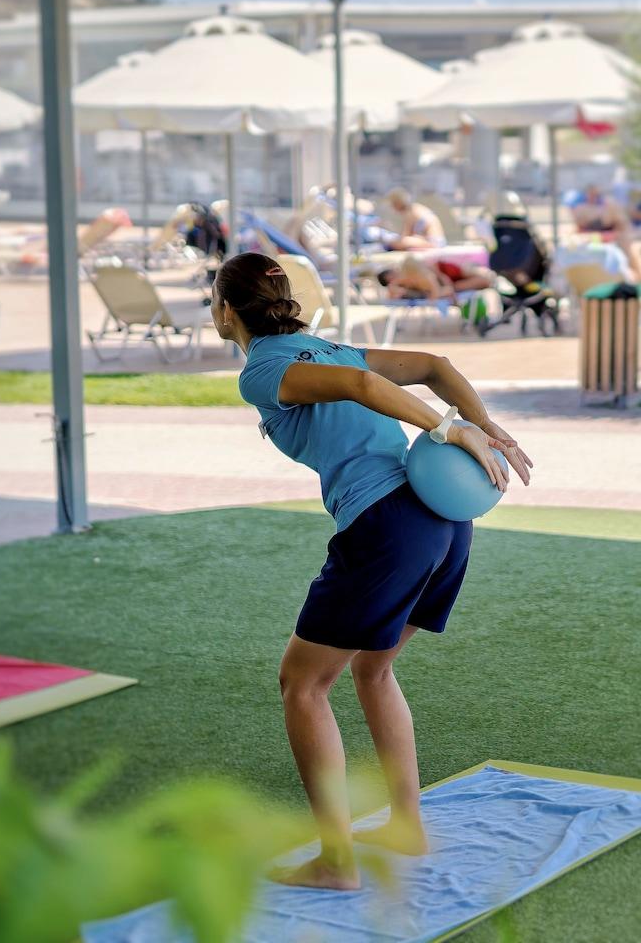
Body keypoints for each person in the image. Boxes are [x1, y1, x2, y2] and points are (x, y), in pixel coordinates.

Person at [210, 253, 532, 890]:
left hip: (387, 525)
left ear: (224, 311)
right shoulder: (332, 349)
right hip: (443, 523)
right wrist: (481, 427)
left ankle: (335, 862)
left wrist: (461, 429)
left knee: (302, 685)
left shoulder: (264, 371)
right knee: (372, 666)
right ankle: (406, 824)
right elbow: (435, 367)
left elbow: (365, 389)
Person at [570, 184, 641, 279]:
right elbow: (579, 228)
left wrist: (611, 235)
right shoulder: (581, 209)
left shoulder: (610, 206)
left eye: (594, 194)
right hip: (591, 239)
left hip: (614, 238)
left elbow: (621, 226)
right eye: (590, 194)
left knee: (628, 255)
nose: (592, 196)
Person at [376, 257, 495, 301]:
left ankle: (485, 272)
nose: (393, 278)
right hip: (444, 283)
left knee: (468, 273)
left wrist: (442, 279)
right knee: (483, 281)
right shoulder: (402, 282)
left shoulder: (407, 271)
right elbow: (391, 294)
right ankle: (488, 276)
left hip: (442, 272)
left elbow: (435, 273)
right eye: (390, 279)